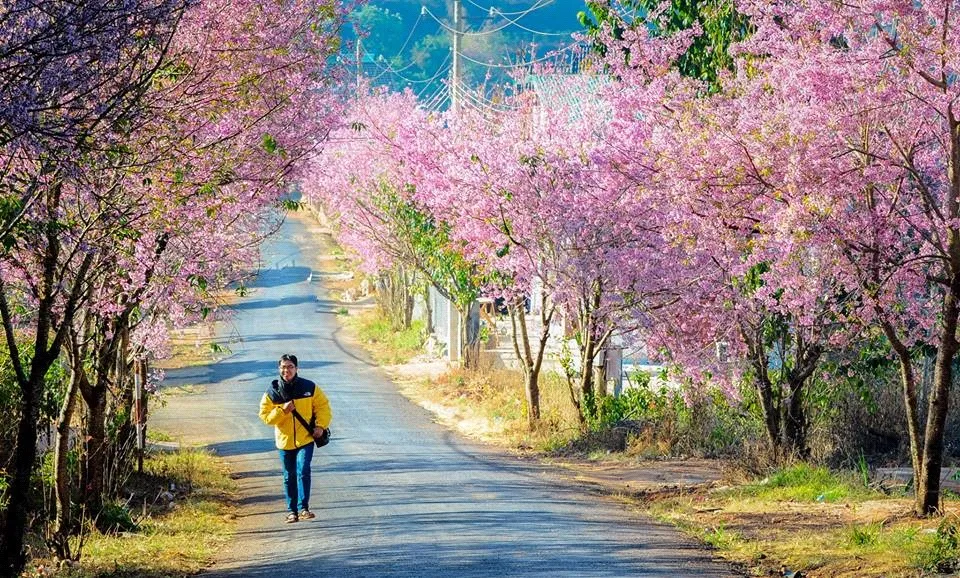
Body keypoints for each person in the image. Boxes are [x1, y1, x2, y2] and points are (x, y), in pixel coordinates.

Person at [259, 354, 332, 523]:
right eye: (284, 367)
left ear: (297, 369)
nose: (287, 370)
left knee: (303, 469)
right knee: (288, 475)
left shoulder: (309, 387)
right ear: (279, 369)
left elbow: (323, 407)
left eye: (290, 366)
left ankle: (304, 508)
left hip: (305, 438)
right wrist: (282, 410)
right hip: (284, 441)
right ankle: (292, 511)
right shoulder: (272, 392)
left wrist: (320, 426)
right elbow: (265, 417)